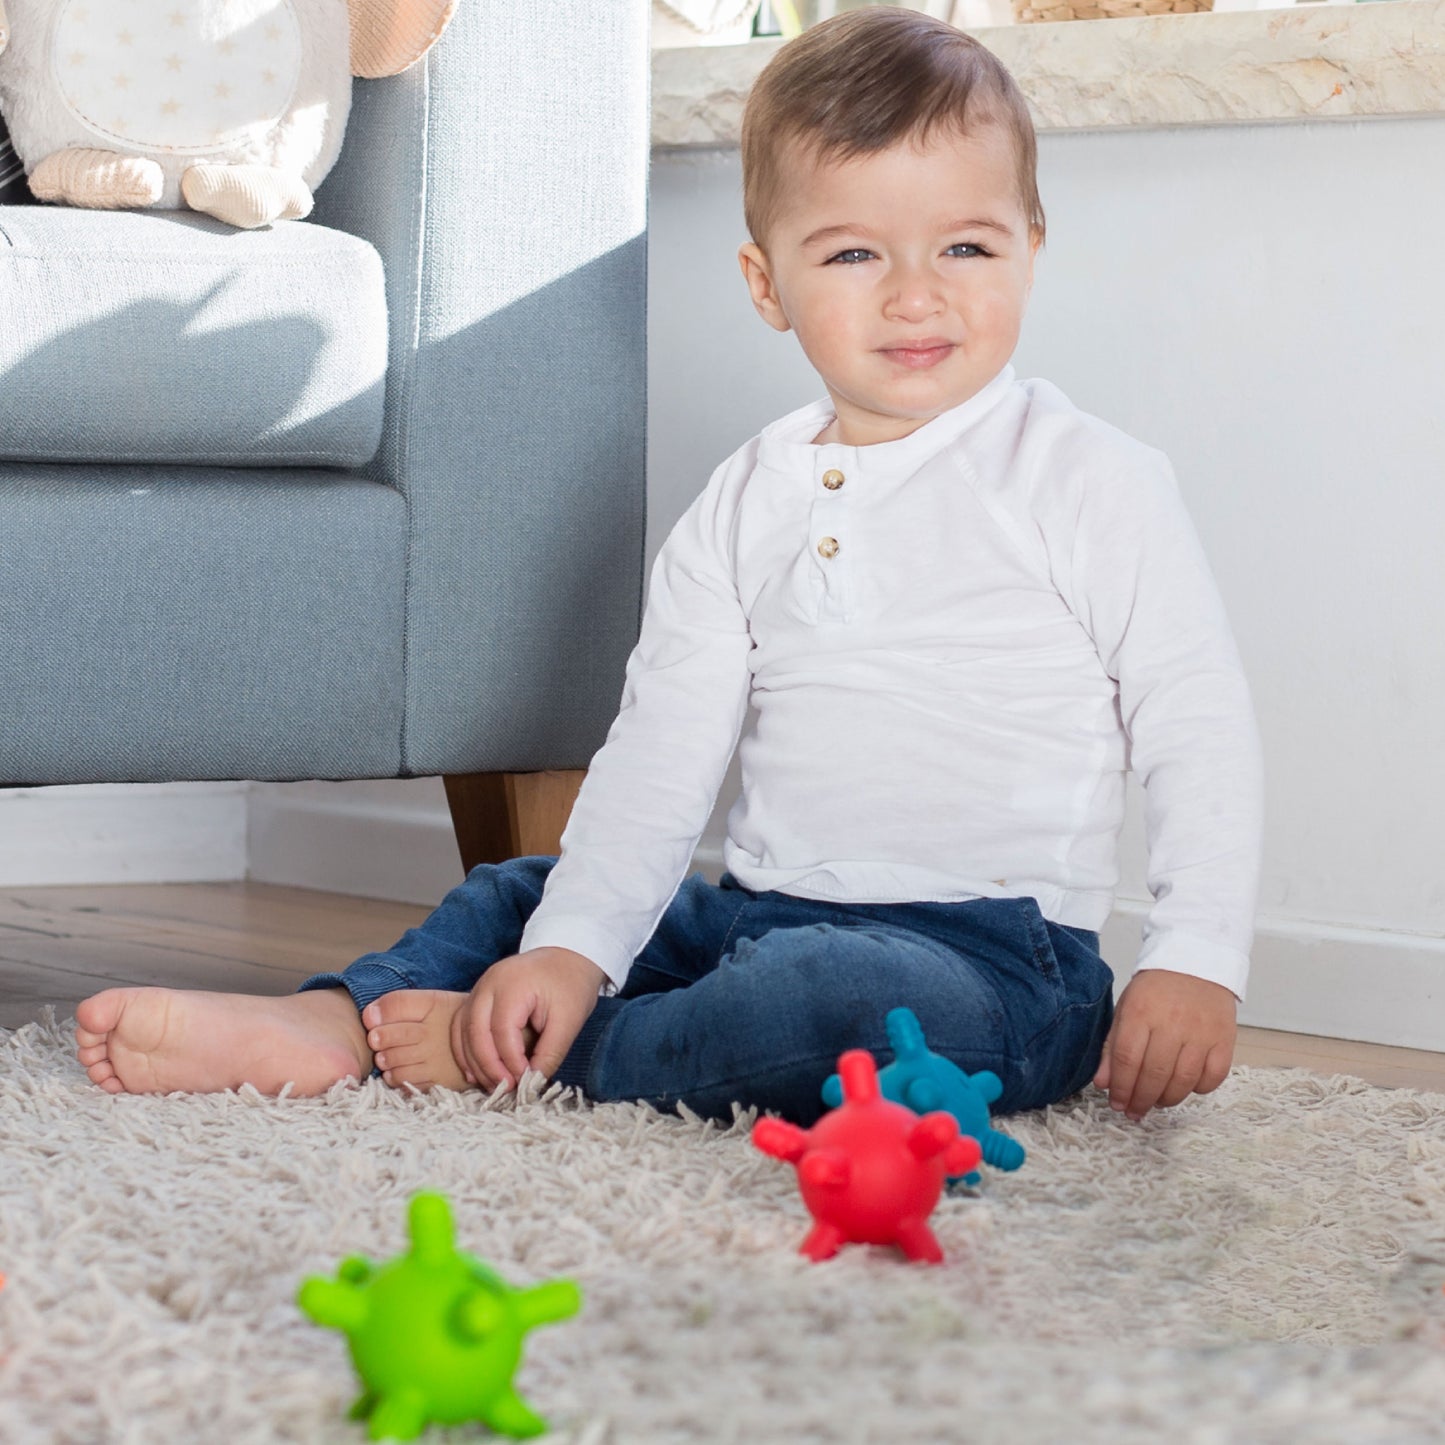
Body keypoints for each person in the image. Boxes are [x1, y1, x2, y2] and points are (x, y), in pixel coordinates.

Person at [75, 8, 1263, 1127]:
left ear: (1030, 250)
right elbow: (661, 748)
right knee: (517, 892)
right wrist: (571, 944)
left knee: (827, 1003)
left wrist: (1192, 956)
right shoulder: (746, 498)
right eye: (853, 253)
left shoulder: (1086, 476)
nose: (916, 291)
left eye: (965, 243)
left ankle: (547, 1060)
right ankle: (333, 1020)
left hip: (996, 961)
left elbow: (1193, 722)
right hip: (757, 909)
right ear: (767, 286)